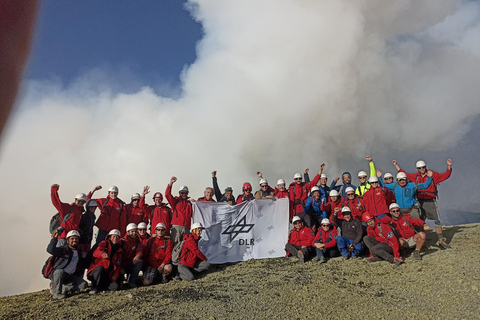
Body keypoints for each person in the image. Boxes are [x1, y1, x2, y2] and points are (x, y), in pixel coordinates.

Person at [393, 158, 453, 249]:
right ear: (417, 169)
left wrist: (449, 166)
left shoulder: (432, 175)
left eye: (423, 167)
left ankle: (441, 240)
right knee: (420, 221)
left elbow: (445, 176)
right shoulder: (416, 177)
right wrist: (396, 166)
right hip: (419, 201)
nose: (421, 169)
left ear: (425, 167)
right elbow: (405, 175)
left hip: (430, 200)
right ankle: (422, 241)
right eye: (419, 168)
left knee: (436, 220)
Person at [47, 230, 88, 299]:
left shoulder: (79, 253)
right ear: (68, 241)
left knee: (84, 285)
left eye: (76, 238)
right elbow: (50, 250)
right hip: (60, 275)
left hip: (71, 276)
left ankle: (65, 288)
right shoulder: (63, 250)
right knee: (59, 271)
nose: (74, 240)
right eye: (72, 238)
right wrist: (54, 238)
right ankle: (57, 293)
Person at [87, 229, 124, 294]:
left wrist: (115, 275)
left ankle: (104, 285)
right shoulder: (104, 243)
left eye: (117, 237)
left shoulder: (119, 250)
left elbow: (117, 265)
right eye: (113, 236)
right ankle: (94, 286)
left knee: (113, 287)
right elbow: (96, 252)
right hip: (97, 269)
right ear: (109, 237)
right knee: (100, 268)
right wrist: (102, 254)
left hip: (109, 272)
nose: (115, 238)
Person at [165, 177, 194, 245]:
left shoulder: (189, 203)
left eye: (185, 193)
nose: (184, 194)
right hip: (176, 227)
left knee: (185, 245)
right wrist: (170, 184)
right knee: (175, 245)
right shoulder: (176, 201)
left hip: (186, 227)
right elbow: (167, 195)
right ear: (179, 193)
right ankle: (174, 256)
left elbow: (194, 214)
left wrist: (195, 204)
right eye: (182, 193)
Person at [121, 223, 143, 288]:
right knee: (116, 286)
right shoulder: (122, 241)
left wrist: (138, 255)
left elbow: (140, 250)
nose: (134, 233)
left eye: (135, 231)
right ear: (127, 232)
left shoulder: (138, 241)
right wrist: (120, 267)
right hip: (121, 265)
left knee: (140, 261)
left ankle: (132, 281)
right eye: (132, 231)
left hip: (131, 263)